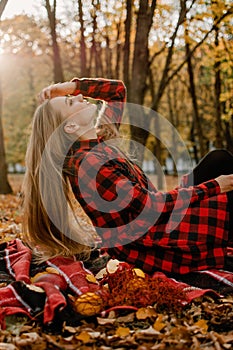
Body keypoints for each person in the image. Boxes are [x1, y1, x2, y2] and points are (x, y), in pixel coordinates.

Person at [22, 77, 233, 275]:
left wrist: (70, 87)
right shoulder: (89, 165)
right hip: (152, 241)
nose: (79, 97)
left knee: (218, 159)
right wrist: (215, 186)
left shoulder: (97, 141)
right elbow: (151, 206)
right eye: (70, 102)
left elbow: (116, 92)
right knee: (225, 193)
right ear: (70, 126)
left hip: (157, 221)